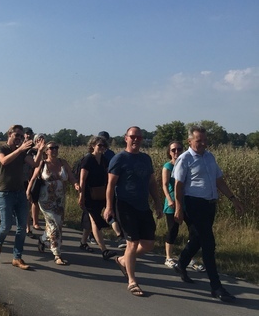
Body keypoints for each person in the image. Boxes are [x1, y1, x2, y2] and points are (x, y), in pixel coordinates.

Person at [172, 125, 244, 302]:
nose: (203, 144)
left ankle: (181, 262)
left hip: (209, 205)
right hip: (194, 205)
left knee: (198, 238)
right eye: (199, 141)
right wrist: (179, 208)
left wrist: (233, 198)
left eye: (205, 140)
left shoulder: (209, 157)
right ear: (190, 141)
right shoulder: (185, 159)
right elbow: (178, 186)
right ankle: (216, 286)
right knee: (209, 244)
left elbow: (219, 180)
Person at [104, 126, 162, 297]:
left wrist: (158, 203)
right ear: (126, 138)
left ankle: (123, 260)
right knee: (132, 243)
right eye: (133, 136)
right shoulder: (119, 159)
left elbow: (152, 183)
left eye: (139, 137)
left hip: (143, 206)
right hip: (125, 205)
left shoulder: (146, 159)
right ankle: (132, 280)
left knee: (148, 244)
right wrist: (108, 207)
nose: (136, 139)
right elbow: (110, 185)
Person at [0, 124, 45, 270]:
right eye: (17, 135)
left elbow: (34, 163)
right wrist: (21, 149)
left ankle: (17, 257)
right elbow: (4, 161)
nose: (20, 138)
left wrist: (40, 151)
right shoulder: (0, 148)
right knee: (6, 225)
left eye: (22, 136)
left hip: (20, 192)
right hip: (5, 192)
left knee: (22, 226)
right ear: (9, 135)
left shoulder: (22, 153)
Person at [27, 141, 79, 265]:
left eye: (56, 148)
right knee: (54, 225)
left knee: (58, 225)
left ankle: (43, 239)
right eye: (51, 148)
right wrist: (28, 191)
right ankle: (57, 254)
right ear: (46, 151)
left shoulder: (63, 163)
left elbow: (71, 176)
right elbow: (33, 178)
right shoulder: (42, 163)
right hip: (45, 199)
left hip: (60, 199)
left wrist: (76, 184)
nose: (54, 150)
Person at [161, 141, 205, 271]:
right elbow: (164, 185)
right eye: (173, 150)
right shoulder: (168, 166)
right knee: (173, 230)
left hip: (186, 202)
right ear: (169, 152)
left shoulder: (186, 164)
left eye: (179, 149)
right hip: (172, 202)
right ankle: (168, 257)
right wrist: (169, 199)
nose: (176, 152)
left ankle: (189, 258)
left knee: (193, 231)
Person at [78, 135, 118, 260]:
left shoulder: (105, 160)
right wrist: (81, 196)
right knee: (95, 221)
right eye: (99, 145)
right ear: (93, 146)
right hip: (89, 195)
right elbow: (82, 180)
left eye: (103, 145)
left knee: (92, 221)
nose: (101, 148)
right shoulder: (88, 159)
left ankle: (83, 242)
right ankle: (104, 250)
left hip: (101, 194)